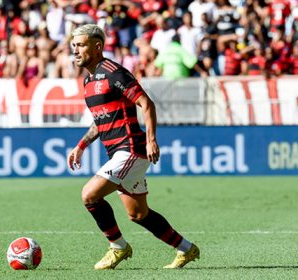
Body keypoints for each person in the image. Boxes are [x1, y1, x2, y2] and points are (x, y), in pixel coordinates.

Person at [67, 24, 199, 270]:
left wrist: (151, 140)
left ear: (97, 47)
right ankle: (186, 248)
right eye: (74, 45)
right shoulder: (88, 81)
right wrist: (81, 145)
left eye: (81, 45)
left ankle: (117, 247)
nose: (75, 50)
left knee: (89, 195)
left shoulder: (114, 73)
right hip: (119, 152)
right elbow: (101, 120)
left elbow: (146, 104)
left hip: (131, 149)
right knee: (138, 214)